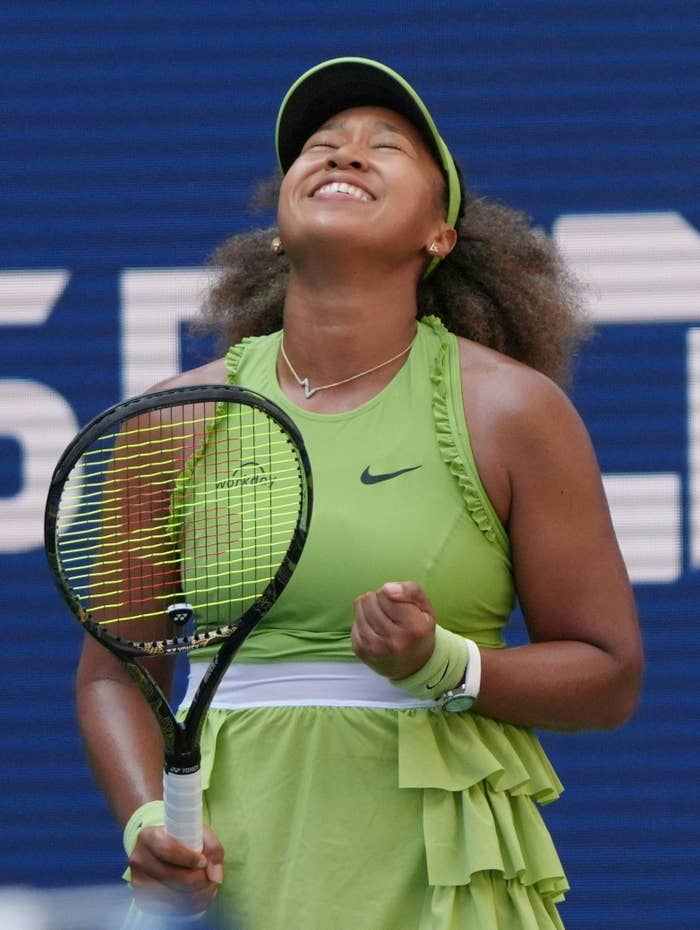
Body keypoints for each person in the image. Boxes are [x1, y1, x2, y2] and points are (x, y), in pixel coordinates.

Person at [76, 57, 643, 930]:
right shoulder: (172, 422)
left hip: (441, 884)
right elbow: (119, 676)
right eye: (321, 147)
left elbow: (608, 676)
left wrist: (443, 663)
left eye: (386, 146)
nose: (344, 155)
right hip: (236, 877)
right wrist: (147, 821)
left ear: (440, 233)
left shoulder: (514, 411)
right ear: (275, 229)